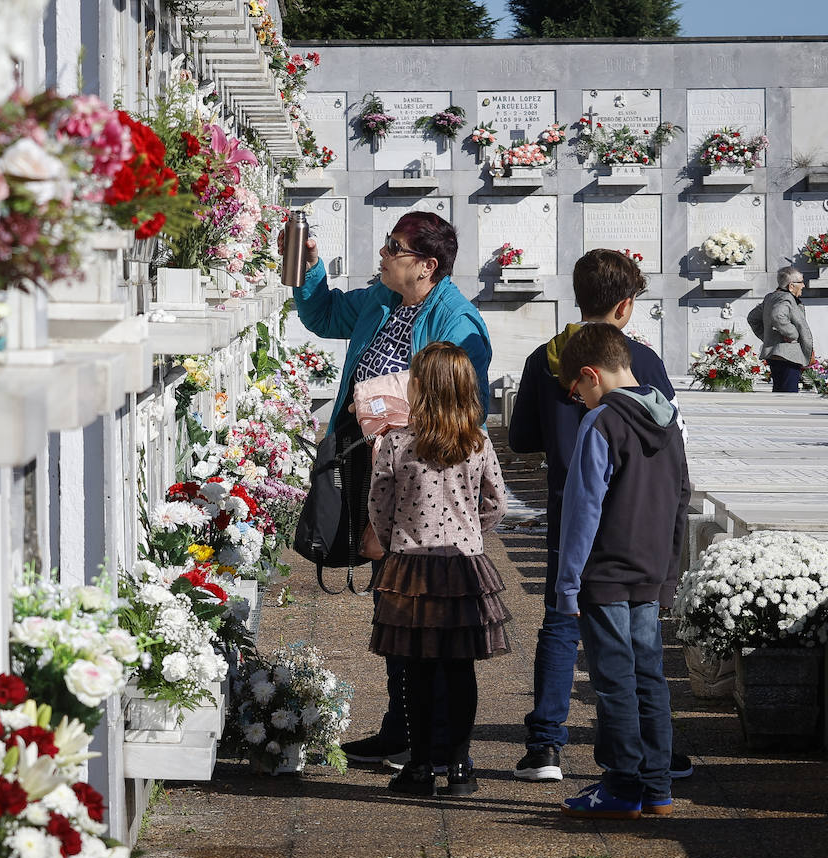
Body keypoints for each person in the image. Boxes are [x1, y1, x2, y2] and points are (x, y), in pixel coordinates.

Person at [282, 210, 493, 769]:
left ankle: (429, 740)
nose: (382, 254)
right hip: (369, 464)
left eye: (394, 247)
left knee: (414, 614)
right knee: (388, 600)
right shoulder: (380, 298)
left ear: (426, 265)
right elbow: (324, 315)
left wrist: (383, 409)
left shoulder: (455, 320)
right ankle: (401, 725)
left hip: (419, 482)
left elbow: (464, 409)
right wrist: (308, 272)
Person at [507, 249, 690, 783]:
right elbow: (665, 438)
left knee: (562, 623)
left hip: (573, 510)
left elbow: (519, 439)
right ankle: (656, 755)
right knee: (638, 649)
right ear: (626, 306)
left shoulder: (545, 357)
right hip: (639, 523)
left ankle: (546, 745)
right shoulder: (643, 362)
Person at [553, 324, 691, 819]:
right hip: (651, 571)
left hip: (606, 572)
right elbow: (681, 501)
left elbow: (583, 510)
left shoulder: (602, 423)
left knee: (613, 681)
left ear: (591, 375)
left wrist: (567, 583)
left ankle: (620, 786)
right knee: (649, 677)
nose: (580, 403)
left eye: (577, 392)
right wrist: (669, 574)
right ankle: (656, 787)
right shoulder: (670, 420)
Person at [367, 342, 510, 796]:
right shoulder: (478, 440)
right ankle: (460, 764)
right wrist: (473, 532)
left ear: (420, 388)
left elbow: (379, 504)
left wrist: (395, 540)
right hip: (465, 564)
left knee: (416, 669)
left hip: (410, 566)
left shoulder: (396, 441)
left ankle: (422, 765)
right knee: (459, 666)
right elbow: (497, 502)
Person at [747, 267, 813, 393]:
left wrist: (769, 337)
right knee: (789, 397)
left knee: (780, 395)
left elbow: (752, 318)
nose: (804, 285)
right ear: (791, 286)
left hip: (777, 356)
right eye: (801, 282)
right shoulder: (786, 298)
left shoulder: (771, 297)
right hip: (788, 356)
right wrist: (793, 334)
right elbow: (778, 316)